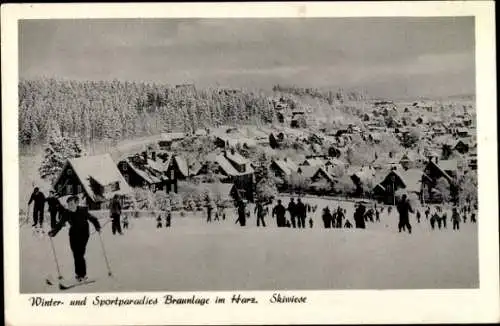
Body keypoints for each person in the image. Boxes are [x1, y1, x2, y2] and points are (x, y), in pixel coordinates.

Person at [48, 196, 101, 282]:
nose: (70, 206)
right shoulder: (67, 213)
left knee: (80, 254)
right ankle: (78, 274)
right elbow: (60, 223)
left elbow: (93, 219)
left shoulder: (83, 210)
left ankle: (82, 275)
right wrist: (53, 232)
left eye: (72, 204)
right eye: (68, 204)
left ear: (77, 203)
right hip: (73, 234)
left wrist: (97, 227)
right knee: (75, 254)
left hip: (84, 234)